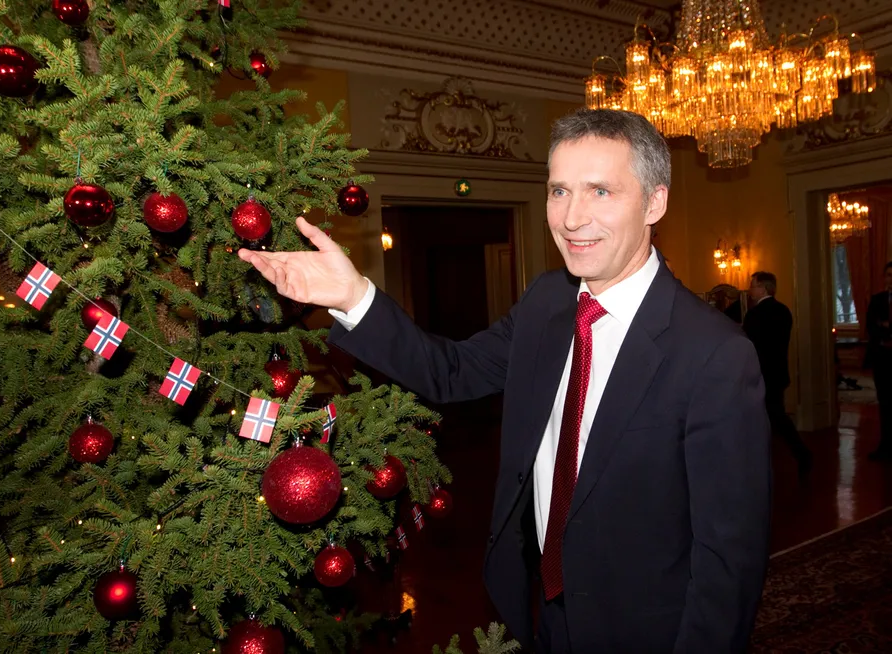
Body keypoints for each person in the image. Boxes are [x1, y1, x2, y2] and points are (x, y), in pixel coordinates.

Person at [239, 109, 771, 653]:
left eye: (600, 192)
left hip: (644, 630)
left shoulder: (715, 354)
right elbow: (449, 372)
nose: (571, 217)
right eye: (559, 191)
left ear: (655, 202)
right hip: (539, 611)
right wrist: (353, 297)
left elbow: (728, 560)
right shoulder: (546, 302)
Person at [743, 272, 813, 475]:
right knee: (776, 417)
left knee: (769, 418)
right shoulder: (783, 310)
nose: (750, 289)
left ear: (763, 288)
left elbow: (749, 346)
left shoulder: (755, 314)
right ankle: (797, 454)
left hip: (760, 374)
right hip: (778, 373)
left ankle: (798, 454)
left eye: (753, 285)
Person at [865, 262, 892, 461]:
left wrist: (885, 325)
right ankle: (885, 446)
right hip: (882, 359)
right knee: (884, 404)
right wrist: (885, 327)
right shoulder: (877, 300)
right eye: (888, 275)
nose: (890, 279)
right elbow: (871, 327)